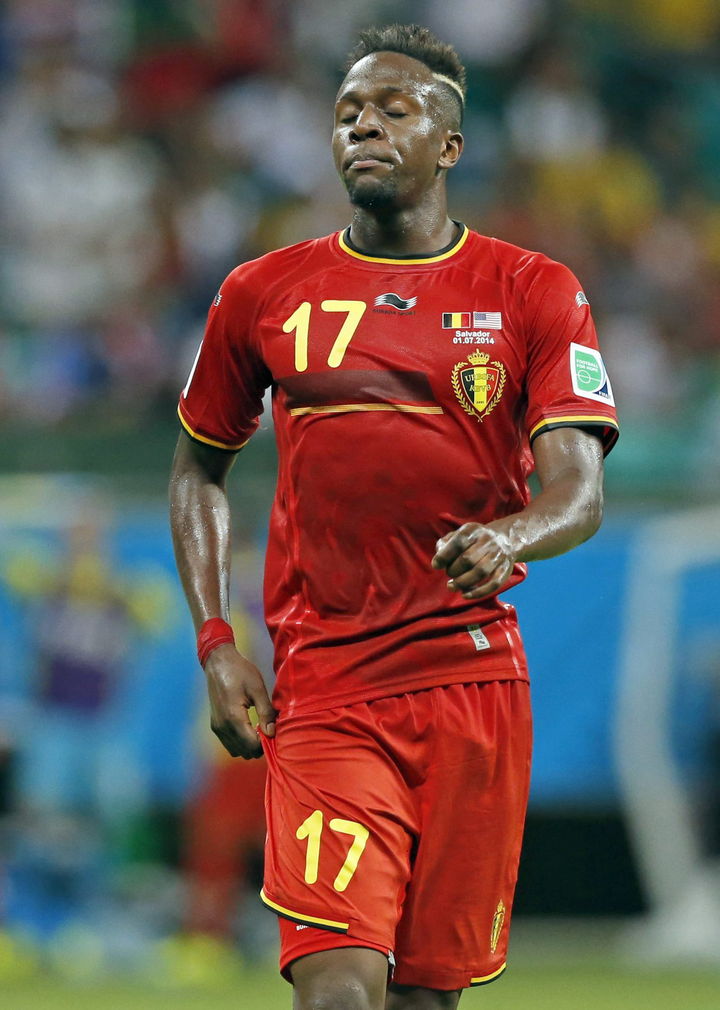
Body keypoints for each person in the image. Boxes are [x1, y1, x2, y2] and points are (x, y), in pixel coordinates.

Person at [169, 23, 619, 1010]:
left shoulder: (532, 290)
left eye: (391, 109)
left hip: (471, 684)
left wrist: (509, 534)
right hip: (325, 686)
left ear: (449, 145)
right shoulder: (260, 293)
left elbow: (579, 491)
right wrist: (216, 643)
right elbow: (198, 471)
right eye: (346, 113)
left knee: (424, 999)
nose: (361, 126)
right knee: (338, 991)